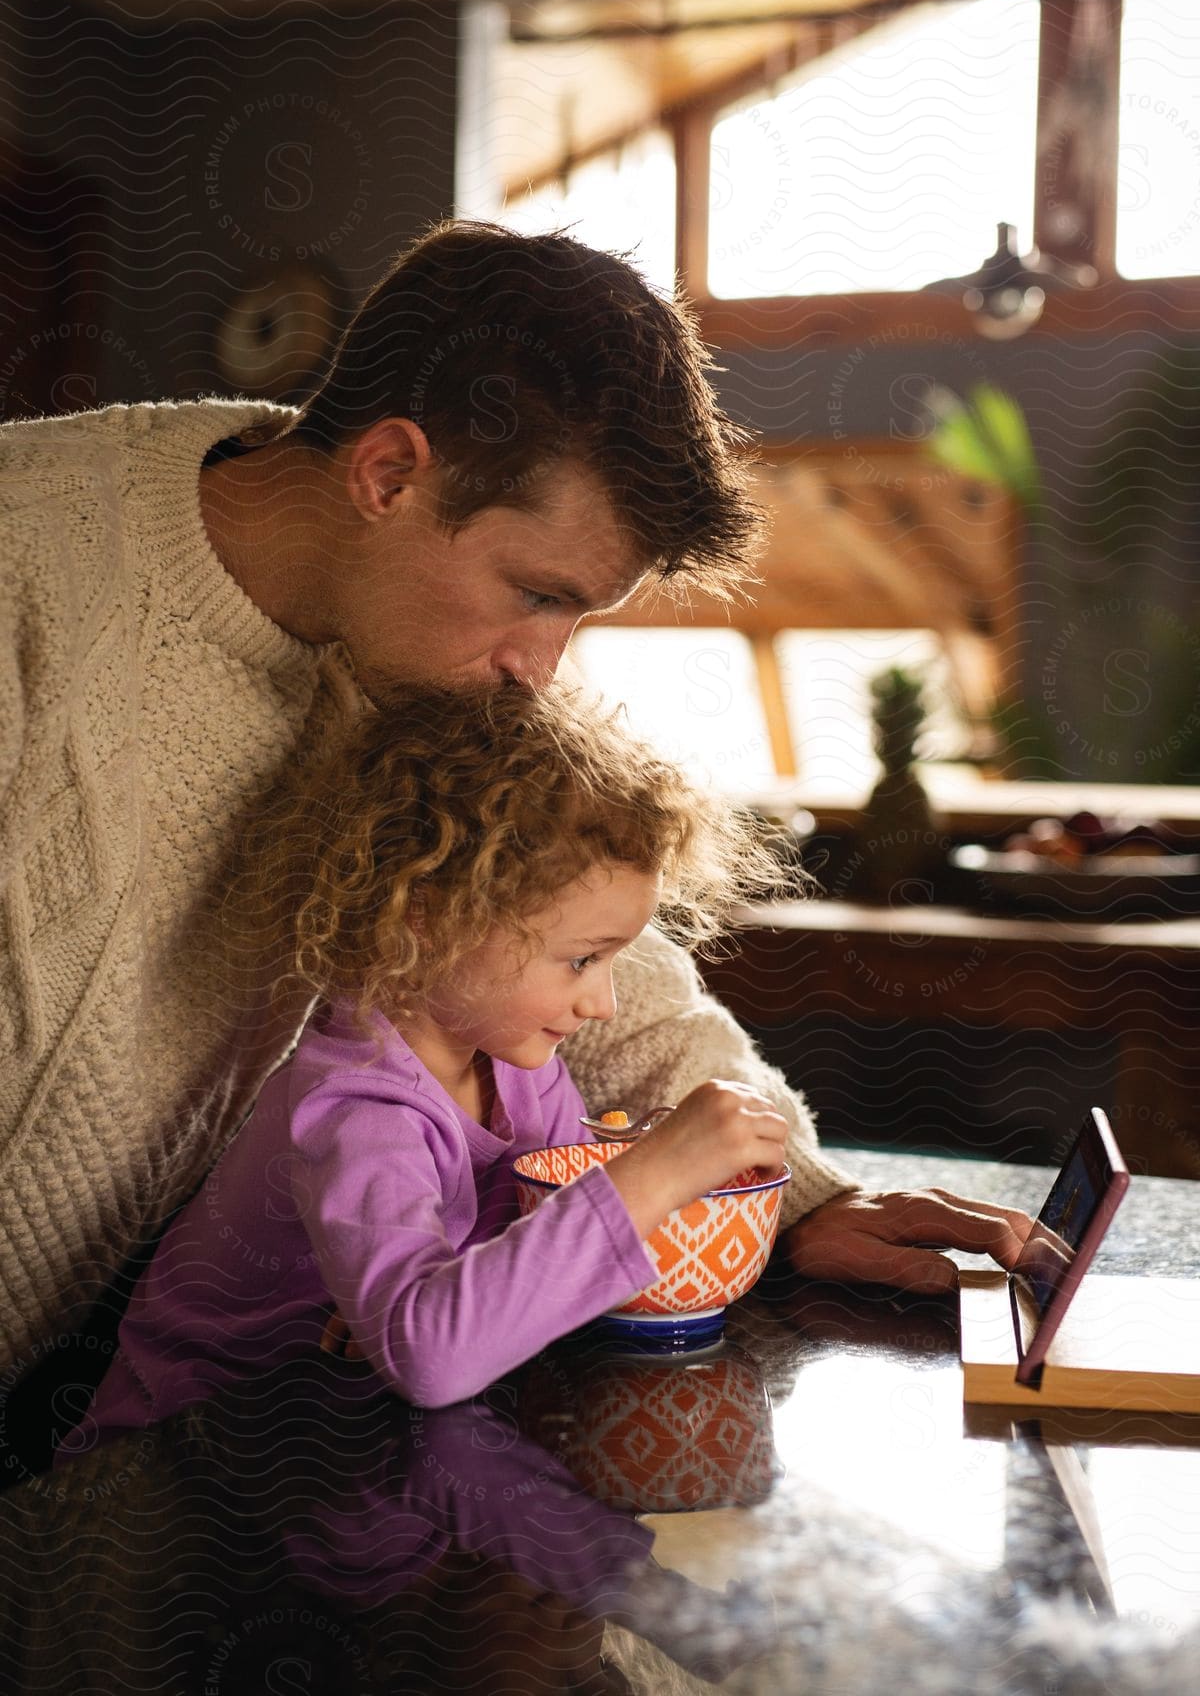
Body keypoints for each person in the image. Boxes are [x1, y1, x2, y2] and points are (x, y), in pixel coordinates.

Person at [1, 218, 1029, 1457]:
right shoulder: (31, 556)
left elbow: (581, 952)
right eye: (537, 595)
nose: (541, 672)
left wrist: (793, 1194)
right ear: (389, 472)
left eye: (579, 617)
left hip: (122, 1424)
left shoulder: (437, 670)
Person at [56, 680, 794, 1447]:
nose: (603, 1003)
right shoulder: (355, 1106)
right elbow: (431, 1358)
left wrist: (646, 1160)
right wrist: (654, 1176)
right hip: (182, 1479)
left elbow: (518, 1270)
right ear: (431, 920)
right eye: (581, 960)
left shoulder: (518, 1068)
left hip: (345, 1441)